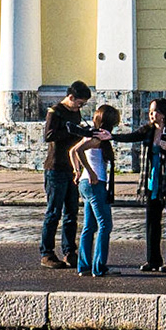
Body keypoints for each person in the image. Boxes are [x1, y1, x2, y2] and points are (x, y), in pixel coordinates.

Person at [115, 97, 166, 272]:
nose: (151, 114)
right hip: (153, 182)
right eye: (150, 111)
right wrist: (111, 136)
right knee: (152, 222)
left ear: (163, 114)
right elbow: (131, 136)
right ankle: (153, 260)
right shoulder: (148, 131)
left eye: (154, 111)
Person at [39, 81, 91, 268]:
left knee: (71, 213)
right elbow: (49, 135)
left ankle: (70, 251)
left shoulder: (75, 112)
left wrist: (83, 133)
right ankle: (47, 253)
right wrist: (71, 132)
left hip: (72, 168)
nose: (80, 107)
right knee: (54, 213)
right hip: (56, 167)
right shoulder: (55, 111)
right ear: (70, 97)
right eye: (79, 103)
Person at [70, 103, 120, 276]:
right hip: (95, 183)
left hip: (85, 184)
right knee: (105, 225)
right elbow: (79, 152)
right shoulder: (97, 138)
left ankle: (83, 265)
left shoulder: (91, 134)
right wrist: (90, 171)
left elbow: (72, 151)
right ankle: (99, 267)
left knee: (89, 226)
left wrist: (78, 172)